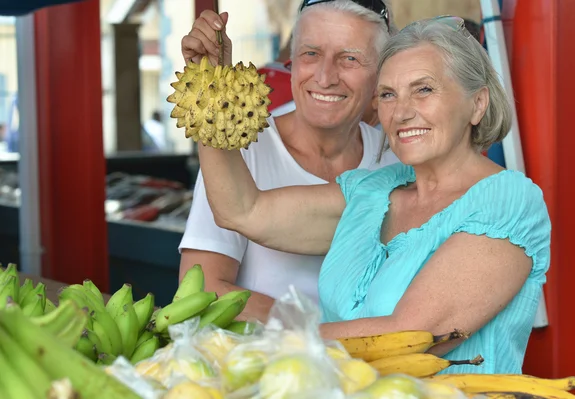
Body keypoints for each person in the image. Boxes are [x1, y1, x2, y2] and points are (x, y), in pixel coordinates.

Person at [196, 15, 552, 374]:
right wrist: (211, 85)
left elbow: (410, 335)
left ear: (477, 104)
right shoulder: (375, 189)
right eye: (387, 95)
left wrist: (269, 349)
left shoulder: (508, 202)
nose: (402, 112)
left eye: (424, 89)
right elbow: (241, 210)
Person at [178, 0, 400, 323]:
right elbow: (200, 288)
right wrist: (317, 332)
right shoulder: (240, 147)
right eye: (310, 54)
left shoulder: (396, 157)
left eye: (349, 58)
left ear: (381, 75)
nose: (325, 77)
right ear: (292, 62)